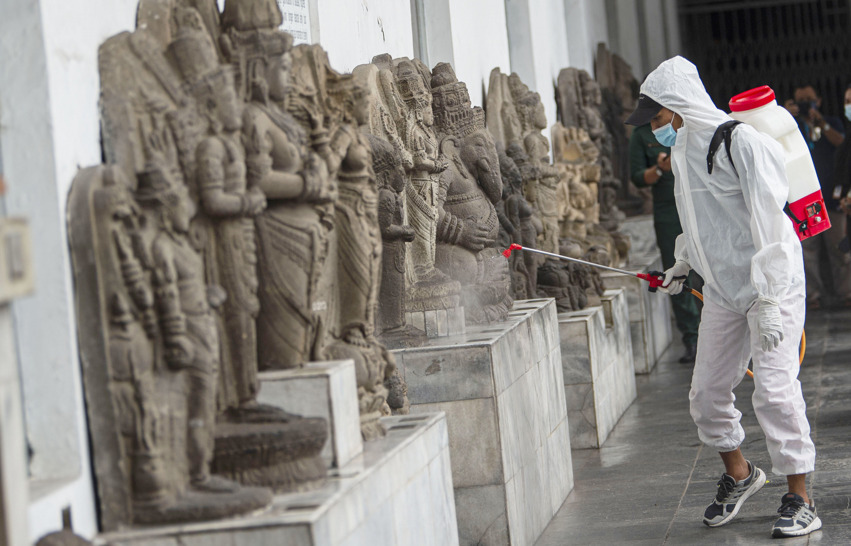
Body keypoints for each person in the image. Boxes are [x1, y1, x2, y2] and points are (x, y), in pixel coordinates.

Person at [626, 56, 820, 539]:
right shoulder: (684, 148)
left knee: (774, 391)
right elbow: (698, 220)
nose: (655, 129)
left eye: (656, 117)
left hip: (770, 287)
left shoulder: (742, 143)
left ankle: (801, 496)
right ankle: (741, 475)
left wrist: (772, 296)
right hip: (724, 291)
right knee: (706, 396)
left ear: (678, 105)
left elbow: (771, 223)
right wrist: (681, 263)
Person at [629, 123, 702, 363]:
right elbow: (638, 177)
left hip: (700, 203)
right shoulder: (642, 134)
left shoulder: (692, 121)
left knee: (713, 266)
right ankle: (693, 338)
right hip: (669, 211)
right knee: (677, 274)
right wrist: (660, 169)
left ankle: (729, 333)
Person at [784, 86, 851, 309]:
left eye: (809, 100)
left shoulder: (830, 122)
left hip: (831, 197)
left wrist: (822, 123)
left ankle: (846, 292)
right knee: (807, 251)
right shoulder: (790, 127)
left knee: (839, 249)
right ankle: (812, 296)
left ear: (819, 101)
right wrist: (784, 119)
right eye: (800, 101)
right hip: (804, 199)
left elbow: (840, 141)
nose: (805, 104)